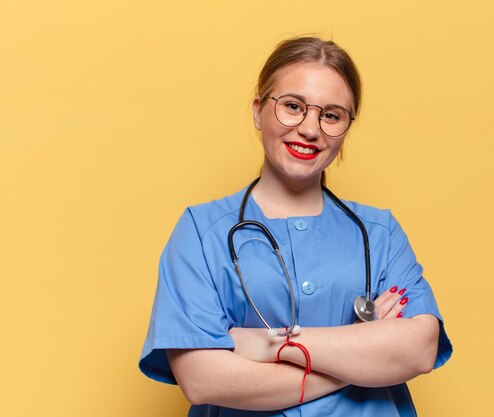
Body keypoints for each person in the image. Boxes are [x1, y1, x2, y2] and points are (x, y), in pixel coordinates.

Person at [139, 36, 453, 416]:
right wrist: (361, 358)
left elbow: (419, 350)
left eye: (332, 115)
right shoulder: (201, 231)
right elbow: (202, 380)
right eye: (292, 106)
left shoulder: (379, 233)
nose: (309, 129)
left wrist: (267, 344)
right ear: (258, 111)